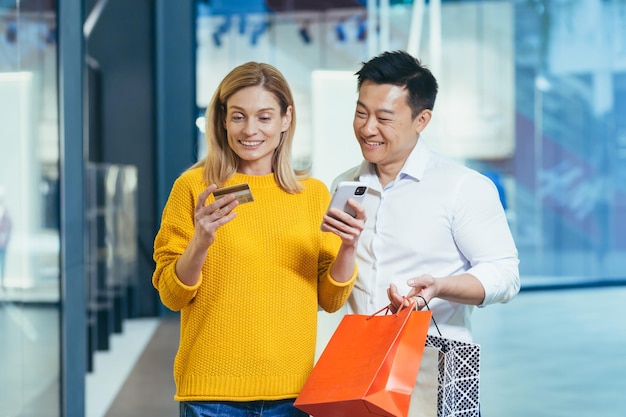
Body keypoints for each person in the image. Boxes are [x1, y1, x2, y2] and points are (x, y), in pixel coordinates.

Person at [152, 61, 365, 417]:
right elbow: (172, 296)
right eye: (238, 116)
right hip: (212, 396)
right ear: (222, 120)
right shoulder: (193, 188)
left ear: (286, 119)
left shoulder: (310, 194)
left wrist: (349, 246)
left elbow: (330, 299)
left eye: (264, 117)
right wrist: (201, 241)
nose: (250, 130)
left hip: (292, 394)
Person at [333, 50, 520, 343]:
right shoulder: (344, 185)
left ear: (422, 120)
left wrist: (440, 287)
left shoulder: (464, 186)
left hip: (434, 358)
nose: (368, 128)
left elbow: (505, 274)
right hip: (358, 359)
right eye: (361, 113)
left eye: (384, 118)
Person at [0, 186, 11, 288]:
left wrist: (5, 240)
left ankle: (2, 281)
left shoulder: (5, 213)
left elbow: (8, 228)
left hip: (2, 243)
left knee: (2, 262)